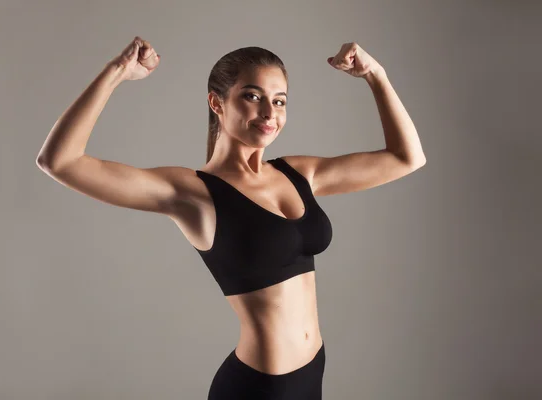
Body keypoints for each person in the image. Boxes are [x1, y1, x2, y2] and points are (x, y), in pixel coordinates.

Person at [36, 36, 426, 399]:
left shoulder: (298, 172)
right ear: (217, 103)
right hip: (258, 388)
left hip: (312, 375)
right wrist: (117, 71)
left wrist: (375, 75)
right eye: (252, 97)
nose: (268, 112)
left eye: (279, 101)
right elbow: (60, 161)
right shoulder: (193, 193)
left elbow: (406, 158)